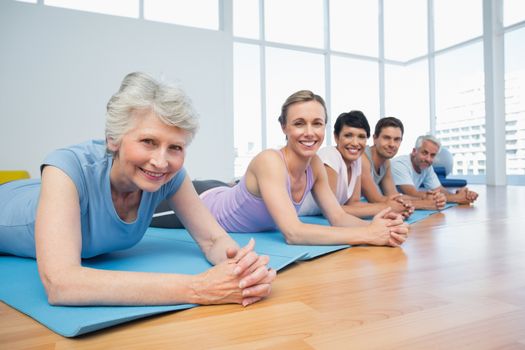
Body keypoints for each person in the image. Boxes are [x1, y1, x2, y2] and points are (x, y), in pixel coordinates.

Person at [0, 72, 275, 307]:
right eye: (148, 141)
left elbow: (213, 240)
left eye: (175, 147)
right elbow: (61, 283)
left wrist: (243, 270)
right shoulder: (65, 168)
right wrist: (199, 288)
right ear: (113, 139)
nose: (161, 161)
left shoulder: (169, 176)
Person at [155, 90, 409, 247]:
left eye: (317, 123)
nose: (310, 133)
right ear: (284, 127)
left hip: (223, 190)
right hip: (201, 203)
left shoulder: (316, 166)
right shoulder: (270, 160)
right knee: (134, 212)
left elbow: (338, 217)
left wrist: (377, 227)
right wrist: (368, 235)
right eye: (299, 123)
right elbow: (293, 233)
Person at [298, 111, 413, 219]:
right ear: (336, 137)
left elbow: (354, 203)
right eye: (348, 135)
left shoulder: (356, 161)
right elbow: (330, 209)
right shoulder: (330, 155)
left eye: (361, 137)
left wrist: (391, 209)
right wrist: (386, 208)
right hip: (294, 216)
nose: (355, 143)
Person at [361, 117, 446, 210]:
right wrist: (425, 204)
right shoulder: (363, 158)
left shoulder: (386, 162)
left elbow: (394, 196)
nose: (392, 144)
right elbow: (376, 200)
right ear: (375, 138)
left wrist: (426, 197)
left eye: (397, 139)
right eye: (386, 138)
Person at [391, 134, 479, 205]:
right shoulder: (399, 164)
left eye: (432, 155)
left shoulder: (427, 167)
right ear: (414, 151)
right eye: (424, 153)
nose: (428, 159)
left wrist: (460, 194)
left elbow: (440, 190)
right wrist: (457, 198)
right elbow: (412, 194)